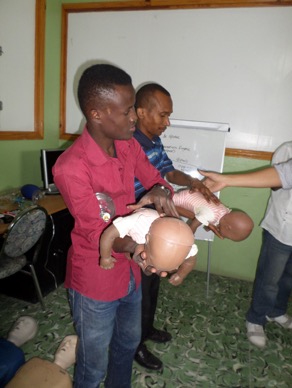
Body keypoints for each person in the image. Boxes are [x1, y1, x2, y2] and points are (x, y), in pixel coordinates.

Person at [52, 64, 179, 388]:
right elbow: (98, 233)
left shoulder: (128, 145)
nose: (134, 119)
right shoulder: (71, 167)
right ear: (97, 114)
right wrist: (142, 247)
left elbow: (154, 178)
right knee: (93, 367)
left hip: (130, 275)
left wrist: (160, 190)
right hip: (96, 280)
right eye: (127, 113)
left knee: (125, 347)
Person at [133, 82, 218, 370]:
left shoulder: (154, 141)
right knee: (141, 284)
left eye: (169, 116)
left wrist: (192, 181)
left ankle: (146, 328)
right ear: (141, 112)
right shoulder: (129, 143)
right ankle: (135, 344)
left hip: (159, 220)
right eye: (163, 115)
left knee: (155, 278)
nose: (167, 122)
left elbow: (167, 170)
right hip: (140, 224)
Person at [201, 141, 292, 348]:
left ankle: (277, 311)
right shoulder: (289, 150)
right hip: (282, 229)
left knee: (288, 277)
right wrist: (227, 180)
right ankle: (256, 319)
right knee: (269, 279)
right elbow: (278, 180)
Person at [99, 208, 198, 282]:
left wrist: (181, 275)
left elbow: (190, 261)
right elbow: (109, 234)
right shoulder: (139, 221)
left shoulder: (186, 244)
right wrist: (105, 257)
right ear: (147, 239)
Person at [173, 189, 254, 242]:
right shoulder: (211, 215)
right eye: (228, 237)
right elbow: (194, 224)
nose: (224, 238)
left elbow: (207, 220)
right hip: (183, 199)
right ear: (228, 227)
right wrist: (188, 237)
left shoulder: (224, 210)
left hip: (192, 194)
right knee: (169, 202)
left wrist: (209, 226)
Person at [0, 316, 38, 386]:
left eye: (27, 324)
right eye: (18, 321)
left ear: (30, 335)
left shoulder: (17, 357)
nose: (20, 323)